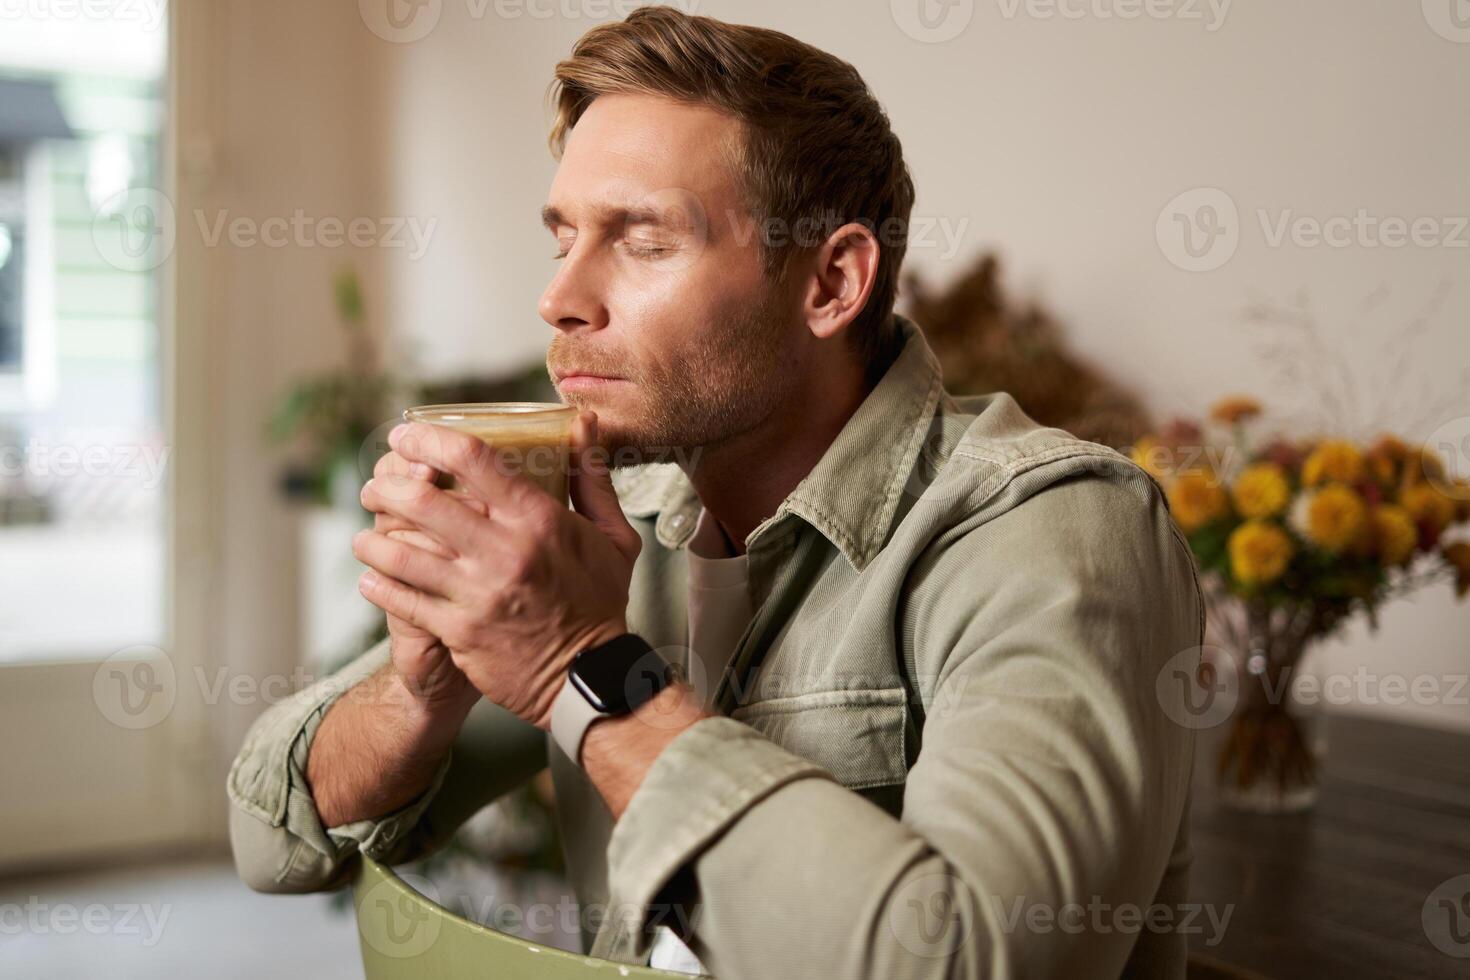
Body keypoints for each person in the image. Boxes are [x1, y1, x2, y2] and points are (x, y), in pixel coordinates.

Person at [228, 8, 1204, 978]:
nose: (560, 297)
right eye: (563, 236)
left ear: (830, 283)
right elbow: (271, 834)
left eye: (644, 240)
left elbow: (975, 961)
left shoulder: (1050, 528)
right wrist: (419, 688)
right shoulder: (623, 522)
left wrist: (585, 663)